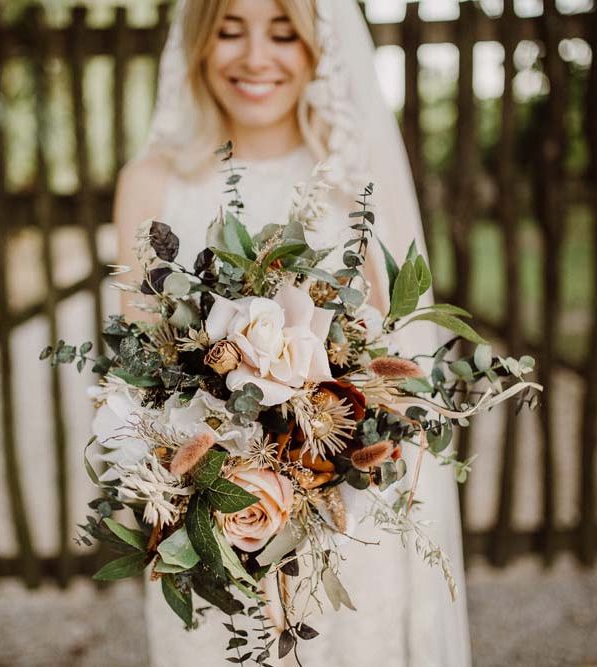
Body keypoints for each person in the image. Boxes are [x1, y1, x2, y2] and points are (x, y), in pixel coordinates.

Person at [113, 1, 471, 665]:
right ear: (196, 42)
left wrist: (323, 461)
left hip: (348, 524)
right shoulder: (150, 184)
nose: (255, 57)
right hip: (211, 521)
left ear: (319, 50)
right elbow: (138, 370)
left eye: (283, 33)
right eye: (230, 30)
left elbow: (397, 365)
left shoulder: (351, 187)